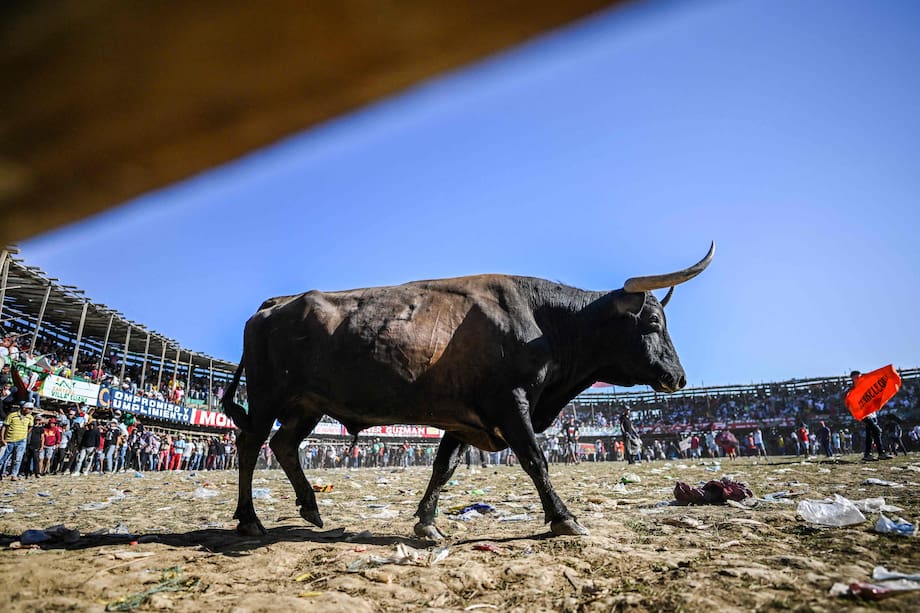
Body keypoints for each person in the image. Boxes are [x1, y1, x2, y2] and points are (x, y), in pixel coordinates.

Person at [850, 370, 892, 461]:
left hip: (872, 413)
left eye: (859, 377)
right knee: (876, 431)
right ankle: (881, 452)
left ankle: (868, 454)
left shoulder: (866, 387)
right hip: (864, 415)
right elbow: (851, 402)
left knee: (870, 435)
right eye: (856, 377)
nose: (859, 378)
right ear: (852, 379)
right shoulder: (853, 390)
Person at [0, 401, 35, 480]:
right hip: (9, 440)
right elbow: (4, 427)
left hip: (21, 441)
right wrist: (2, 438)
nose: (30, 411)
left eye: (31, 409)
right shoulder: (12, 416)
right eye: (29, 409)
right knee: (3, 458)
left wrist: (25, 434)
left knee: (18, 459)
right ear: (24, 408)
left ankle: (14, 474)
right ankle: (1, 473)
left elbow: (30, 426)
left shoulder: (30, 417)